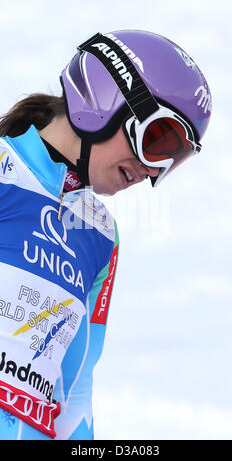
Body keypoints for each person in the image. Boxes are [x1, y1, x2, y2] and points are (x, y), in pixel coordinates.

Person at [0, 30, 211, 440]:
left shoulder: (99, 233)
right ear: (102, 100)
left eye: (174, 156)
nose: (154, 170)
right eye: (157, 140)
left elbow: (75, 391)